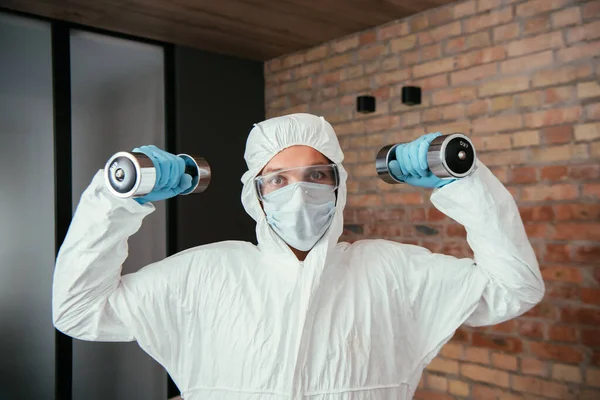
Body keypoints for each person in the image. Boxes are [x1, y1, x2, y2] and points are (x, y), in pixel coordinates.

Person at [53, 113, 545, 400]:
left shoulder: (391, 270)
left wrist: (466, 182)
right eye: (278, 179)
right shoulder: (208, 272)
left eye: (316, 175)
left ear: (338, 185)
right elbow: (78, 311)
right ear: (256, 194)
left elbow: (515, 287)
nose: (299, 192)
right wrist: (115, 199)